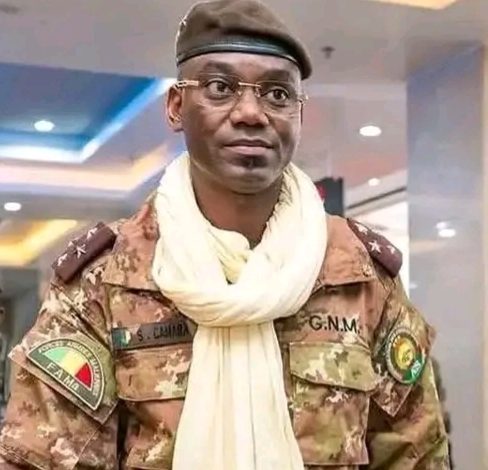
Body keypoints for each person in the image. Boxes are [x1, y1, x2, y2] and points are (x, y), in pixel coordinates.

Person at [0, 1, 450, 469]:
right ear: (176, 106)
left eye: (277, 93)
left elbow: (418, 455)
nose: (251, 113)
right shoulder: (105, 279)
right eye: (220, 87)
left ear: (300, 114)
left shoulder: (359, 274)